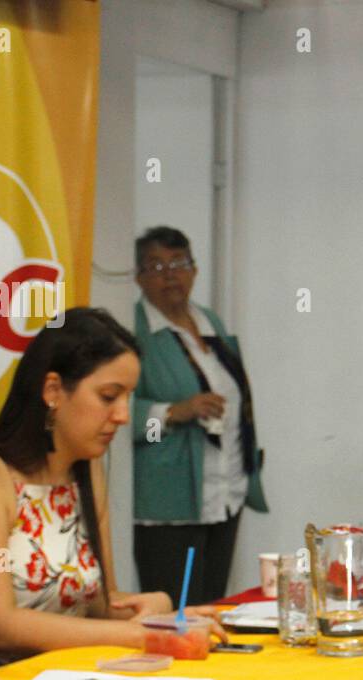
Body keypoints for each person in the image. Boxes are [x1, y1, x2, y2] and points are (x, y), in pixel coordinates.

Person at [0, 308, 212, 663]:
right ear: (53, 390)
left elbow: (96, 610)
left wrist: (158, 611)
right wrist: (136, 633)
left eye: (128, 398)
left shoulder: (84, 473)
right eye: (109, 396)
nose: (124, 416)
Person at [130, 227, 267, 605]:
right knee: (176, 612)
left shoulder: (209, 323)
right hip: (168, 504)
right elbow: (123, 415)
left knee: (212, 609)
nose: (170, 274)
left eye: (179, 263)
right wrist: (173, 413)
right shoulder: (133, 331)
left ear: (194, 270)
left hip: (224, 493)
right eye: (157, 265)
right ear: (138, 276)